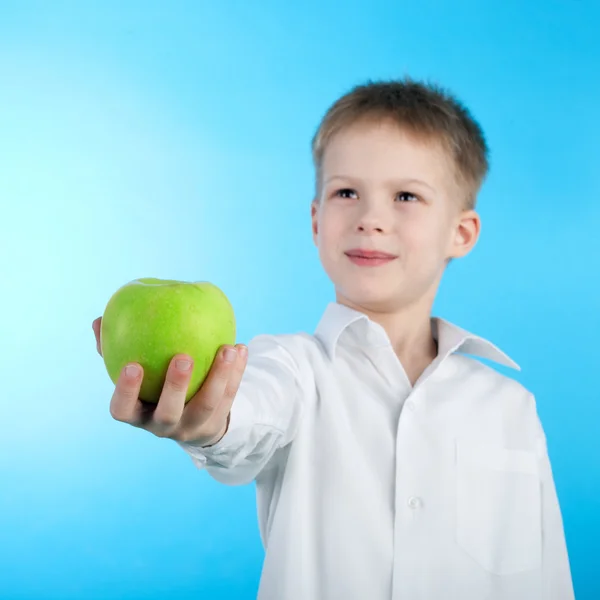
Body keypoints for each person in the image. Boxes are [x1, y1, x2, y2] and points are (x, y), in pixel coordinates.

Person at [92, 77, 575, 600]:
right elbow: (245, 421)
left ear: (461, 232)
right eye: (347, 192)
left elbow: (546, 580)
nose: (371, 219)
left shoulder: (510, 407)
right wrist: (207, 422)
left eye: (407, 195)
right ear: (317, 221)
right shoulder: (293, 370)